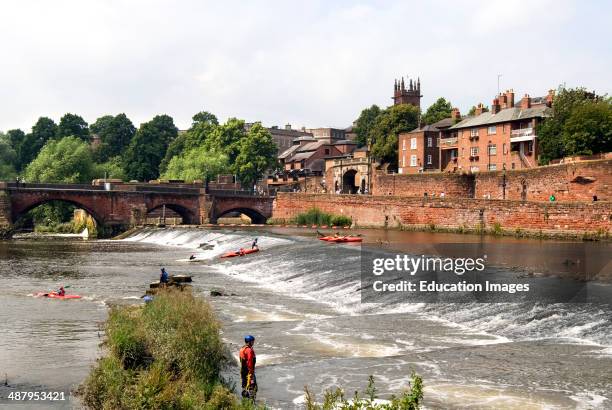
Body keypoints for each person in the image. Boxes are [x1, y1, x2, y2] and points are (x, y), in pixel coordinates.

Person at [239, 335, 257, 400]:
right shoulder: (249, 350)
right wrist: (251, 372)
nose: (253, 343)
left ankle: (244, 401)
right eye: (252, 341)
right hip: (249, 372)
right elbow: (249, 361)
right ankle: (252, 402)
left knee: (244, 386)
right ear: (249, 342)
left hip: (243, 371)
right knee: (253, 387)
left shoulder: (242, 348)